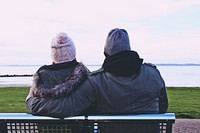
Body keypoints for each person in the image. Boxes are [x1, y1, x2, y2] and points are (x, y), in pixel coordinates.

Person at [26, 28, 168, 119]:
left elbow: (64, 108)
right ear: (129, 49)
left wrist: (32, 101)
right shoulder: (154, 74)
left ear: (105, 53)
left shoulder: (96, 82)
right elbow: (163, 108)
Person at [26, 32, 89, 99]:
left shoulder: (42, 78)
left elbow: (32, 102)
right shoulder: (87, 77)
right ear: (73, 52)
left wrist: (29, 100)